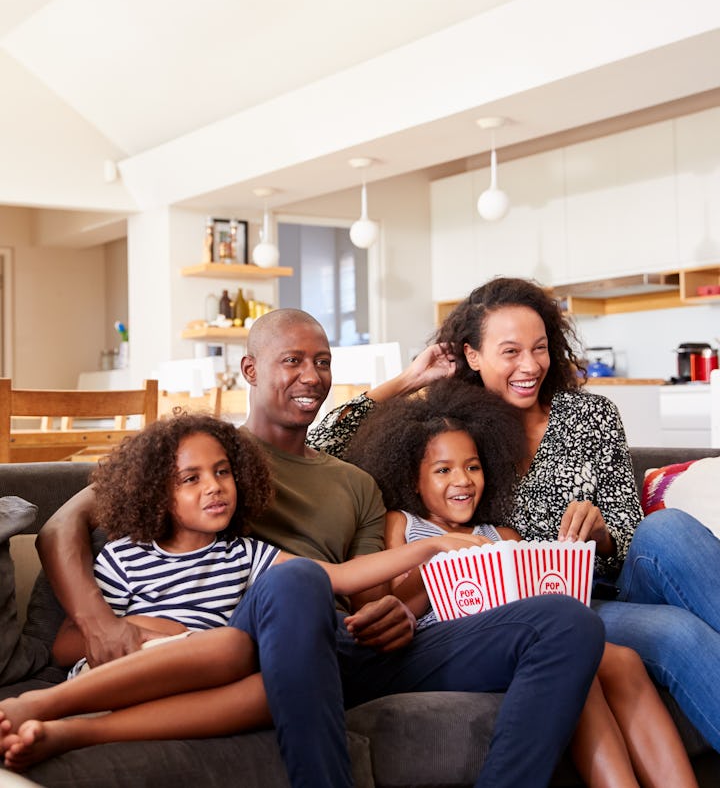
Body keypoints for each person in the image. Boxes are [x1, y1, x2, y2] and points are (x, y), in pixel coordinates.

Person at [33, 308, 606, 788]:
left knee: (566, 624)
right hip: (258, 643)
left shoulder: (352, 481)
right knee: (298, 580)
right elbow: (61, 527)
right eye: (293, 361)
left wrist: (396, 609)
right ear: (250, 370)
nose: (312, 375)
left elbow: (367, 587)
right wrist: (102, 623)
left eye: (323, 362)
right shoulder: (202, 452)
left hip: (348, 648)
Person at [311, 277, 720, 753]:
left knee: (666, 527)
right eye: (510, 352)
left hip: (616, 580)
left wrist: (604, 532)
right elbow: (324, 446)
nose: (530, 366)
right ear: (472, 356)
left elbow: (631, 530)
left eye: (540, 348)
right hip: (561, 610)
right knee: (677, 632)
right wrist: (408, 379)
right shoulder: (455, 432)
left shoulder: (591, 416)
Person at [0, 412, 488, 770]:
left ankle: (68, 735)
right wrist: (152, 632)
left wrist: (434, 547)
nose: (213, 487)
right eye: (190, 479)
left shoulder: (245, 554)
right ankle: (43, 708)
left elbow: (339, 578)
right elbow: (67, 645)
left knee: (278, 685)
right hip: (125, 679)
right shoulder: (127, 555)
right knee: (234, 643)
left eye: (222, 472)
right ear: (156, 493)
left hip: (210, 688)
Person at [346, 377, 698, 788]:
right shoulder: (401, 525)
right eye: (443, 470)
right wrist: (441, 555)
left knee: (621, 659)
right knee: (575, 664)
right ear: (411, 477)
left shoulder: (504, 535)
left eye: (472, 466)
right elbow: (391, 605)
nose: (462, 480)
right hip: (450, 643)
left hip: (518, 636)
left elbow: (537, 597)